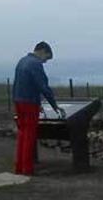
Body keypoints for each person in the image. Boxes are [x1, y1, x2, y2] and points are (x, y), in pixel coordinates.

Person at [12, 41, 66, 175]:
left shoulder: (22, 61)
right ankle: (27, 169)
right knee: (30, 135)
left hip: (19, 100)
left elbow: (19, 84)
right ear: (42, 51)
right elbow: (43, 87)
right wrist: (55, 106)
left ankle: (19, 167)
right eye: (46, 58)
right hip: (30, 103)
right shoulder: (35, 64)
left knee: (22, 133)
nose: (45, 62)